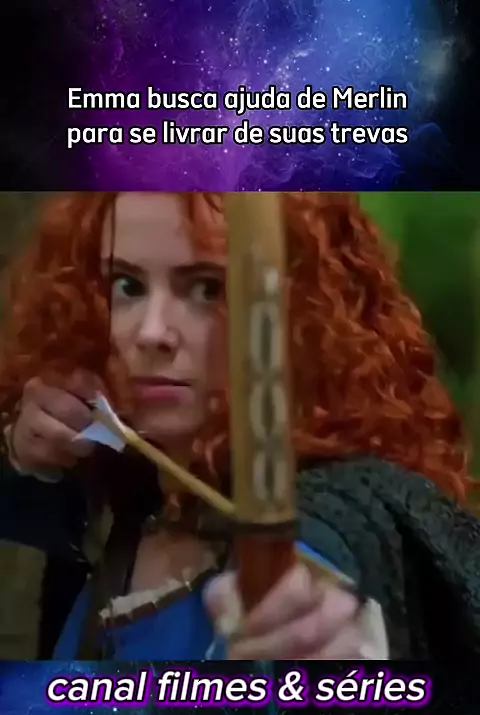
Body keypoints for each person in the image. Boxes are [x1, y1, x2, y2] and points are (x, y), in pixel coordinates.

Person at [0, 191, 479, 661]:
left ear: (299, 313)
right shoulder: (131, 483)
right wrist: (26, 451)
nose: (151, 332)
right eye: (127, 285)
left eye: (208, 289)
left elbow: (338, 604)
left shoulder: (334, 518)